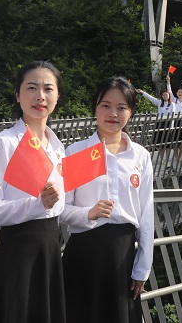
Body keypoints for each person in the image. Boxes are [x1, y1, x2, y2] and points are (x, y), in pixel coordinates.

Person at [61, 77, 153, 323]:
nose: (113, 113)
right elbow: (61, 209)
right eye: (105, 105)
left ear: (131, 112)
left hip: (123, 257)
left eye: (121, 107)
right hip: (84, 252)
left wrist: (143, 267)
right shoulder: (78, 152)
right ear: (95, 108)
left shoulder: (139, 156)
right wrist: (87, 213)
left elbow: (146, 215)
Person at [0, 61, 66, 323]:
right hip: (17, 254)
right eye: (31, 88)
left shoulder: (58, 148)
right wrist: (36, 205)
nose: (40, 96)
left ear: (57, 96)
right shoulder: (4, 143)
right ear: (17, 95)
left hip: (51, 251)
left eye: (48, 89)